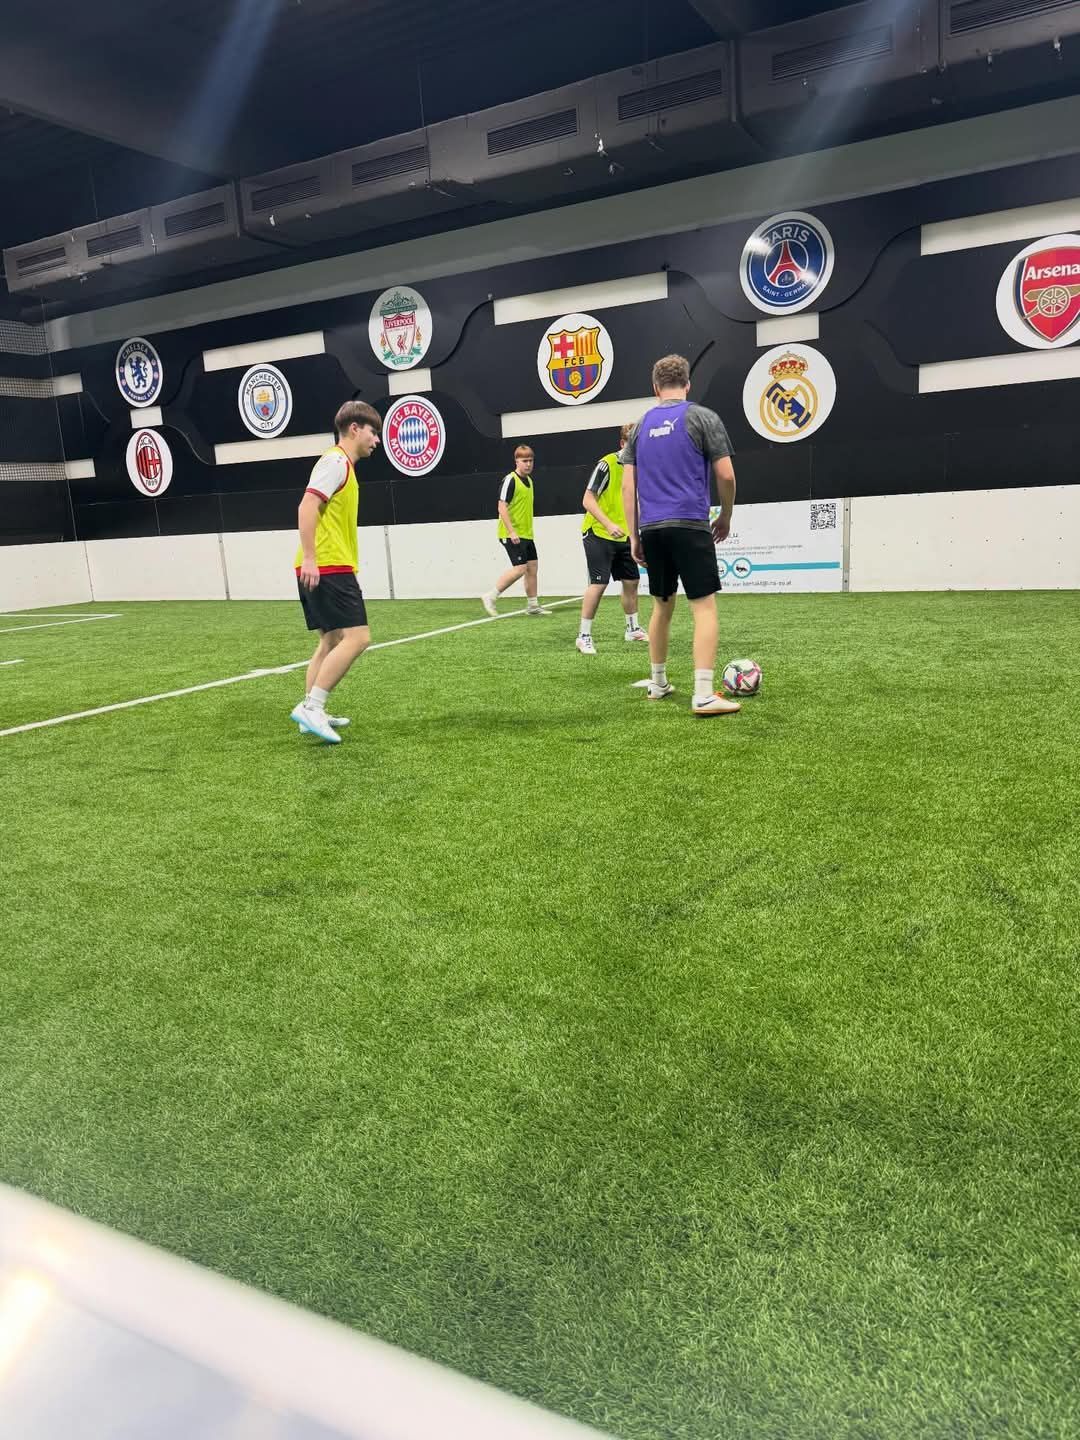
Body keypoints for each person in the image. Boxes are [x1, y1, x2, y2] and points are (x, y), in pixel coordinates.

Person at [620, 354, 740, 717]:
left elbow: (629, 486)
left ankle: (659, 683)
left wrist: (634, 536)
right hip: (689, 522)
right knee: (703, 606)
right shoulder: (703, 418)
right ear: (687, 384)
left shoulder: (639, 426)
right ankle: (703, 694)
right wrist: (726, 515)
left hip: (652, 528)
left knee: (661, 605)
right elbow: (728, 476)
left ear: (655, 388)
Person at [290, 400, 382, 743]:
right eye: (373, 432)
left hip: (325, 564)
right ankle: (313, 707)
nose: (376, 440)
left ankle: (309, 712)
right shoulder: (335, 462)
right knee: (358, 638)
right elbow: (307, 505)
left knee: (331, 640)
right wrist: (312, 558)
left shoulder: (342, 465)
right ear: (355, 429)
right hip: (327, 565)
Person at [575, 424, 648, 654]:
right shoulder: (606, 464)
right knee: (599, 583)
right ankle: (583, 636)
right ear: (622, 444)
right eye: (630, 444)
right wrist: (608, 523)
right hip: (598, 532)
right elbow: (587, 499)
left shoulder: (640, 467)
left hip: (624, 535)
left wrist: (635, 530)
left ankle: (632, 629)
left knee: (632, 582)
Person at [481, 444, 551, 616]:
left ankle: (533, 606)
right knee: (520, 568)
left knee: (532, 568)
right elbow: (501, 507)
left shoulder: (530, 482)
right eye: (524, 461)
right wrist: (511, 531)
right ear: (516, 461)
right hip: (511, 534)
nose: (528, 464)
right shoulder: (510, 480)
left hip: (526, 534)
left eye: (531, 461)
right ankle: (490, 596)